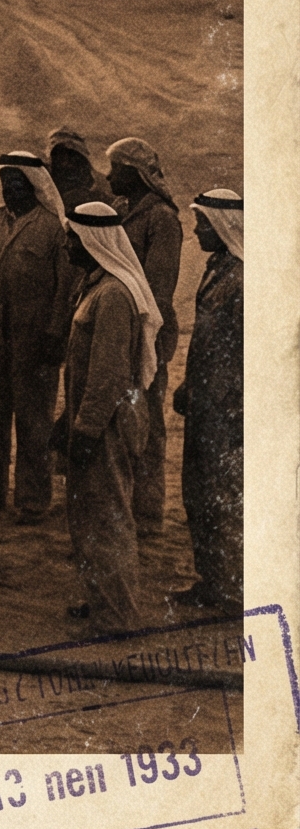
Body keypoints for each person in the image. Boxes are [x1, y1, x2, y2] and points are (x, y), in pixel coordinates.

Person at [59, 202, 163, 635]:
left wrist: (84, 430)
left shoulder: (114, 296)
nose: (66, 245)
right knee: (89, 512)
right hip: (96, 417)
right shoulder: (94, 286)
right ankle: (100, 598)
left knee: (107, 514)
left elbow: (108, 375)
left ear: (90, 241)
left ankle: (117, 616)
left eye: (72, 237)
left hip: (107, 422)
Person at [0, 152, 75, 522]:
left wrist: (54, 333)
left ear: (33, 186)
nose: (11, 192)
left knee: (34, 423)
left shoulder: (52, 228)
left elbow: (65, 288)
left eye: (18, 185)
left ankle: (32, 500)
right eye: (6, 185)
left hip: (36, 342)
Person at [105, 138, 182, 535]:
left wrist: (142, 336)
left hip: (147, 332)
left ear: (134, 174)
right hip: (117, 328)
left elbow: (159, 288)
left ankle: (148, 514)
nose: (108, 176)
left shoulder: (162, 219)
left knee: (147, 421)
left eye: (115, 168)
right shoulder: (120, 210)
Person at [173, 190, 242, 613]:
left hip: (228, 409)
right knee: (198, 491)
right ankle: (211, 579)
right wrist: (188, 385)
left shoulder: (243, 279)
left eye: (202, 223)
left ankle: (232, 588)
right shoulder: (217, 269)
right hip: (204, 402)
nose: (196, 230)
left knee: (224, 494)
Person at [46, 128, 101, 210]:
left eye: (71, 155)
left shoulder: (99, 184)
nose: (66, 162)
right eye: (59, 155)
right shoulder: (45, 181)